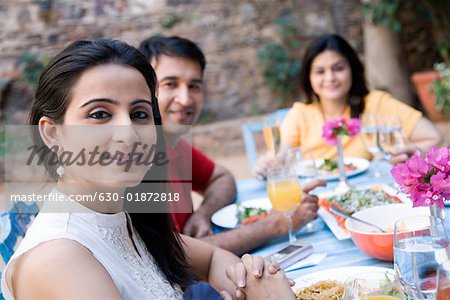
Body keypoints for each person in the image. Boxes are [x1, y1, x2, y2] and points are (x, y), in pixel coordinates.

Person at [0, 39, 277, 299]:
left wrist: (248, 281)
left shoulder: (128, 219)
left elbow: (215, 258)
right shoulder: (57, 258)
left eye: (139, 114)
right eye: (100, 114)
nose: (129, 134)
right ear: (51, 134)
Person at [138, 35, 324, 256]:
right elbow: (176, 256)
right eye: (170, 84)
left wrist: (203, 213)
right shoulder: (136, 162)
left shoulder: (172, 144)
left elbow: (222, 177)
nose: (186, 99)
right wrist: (274, 225)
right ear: (144, 88)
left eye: (194, 86)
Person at [254, 33, 445, 177]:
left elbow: (434, 138)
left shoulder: (376, 104)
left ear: (352, 70)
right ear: (309, 77)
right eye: (320, 71)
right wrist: (268, 164)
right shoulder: (300, 114)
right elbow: (281, 158)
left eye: (338, 68)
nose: (330, 78)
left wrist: (410, 151)